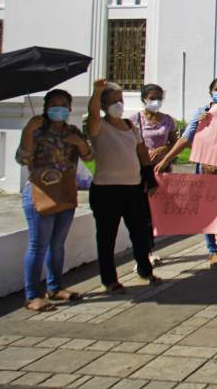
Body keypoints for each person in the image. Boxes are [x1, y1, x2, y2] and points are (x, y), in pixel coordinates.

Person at [16, 89, 92, 311]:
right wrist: (29, 131)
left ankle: (55, 287)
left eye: (63, 105)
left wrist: (79, 142)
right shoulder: (36, 130)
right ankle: (32, 296)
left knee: (57, 245)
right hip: (40, 192)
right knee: (38, 245)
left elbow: (89, 157)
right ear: (46, 107)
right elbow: (22, 158)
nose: (59, 109)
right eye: (54, 105)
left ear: (69, 109)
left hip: (65, 191)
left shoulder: (73, 131)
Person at [88, 80, 161, 292]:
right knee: (107, 236)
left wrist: (148, 176)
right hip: (106, 189)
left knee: (140, 233)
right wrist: (97, 91)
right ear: (103, 106)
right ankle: (109, 279)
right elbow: (92, 116)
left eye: (120, 100)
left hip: (133, 187)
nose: (118, 105)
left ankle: (145, 270)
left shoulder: (130, 126)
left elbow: (141, 151)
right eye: (112, 102)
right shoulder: (99, 126)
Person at [155, 77, 217, 268]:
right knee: (208, 210)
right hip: (206, 169)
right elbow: (185, 138)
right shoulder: (202, 113)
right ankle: (212, 250)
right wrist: (167, 158)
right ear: (210, 92)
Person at [130, 84, 177, 267]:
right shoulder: (135, 119)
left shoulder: (167, 120)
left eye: (159, 97)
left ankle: (150, 249)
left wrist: (162, 150)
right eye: (152, 97)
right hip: (141, 171)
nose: (155, 101)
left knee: (156, 213)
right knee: (143, 214)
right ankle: (143, 252)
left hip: (162, 171)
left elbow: (175, 144)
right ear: (144, 99)